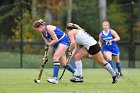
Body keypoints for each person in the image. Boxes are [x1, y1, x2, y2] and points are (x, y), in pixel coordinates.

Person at [32, 19, 76, 84]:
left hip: (63, 41)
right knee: (63, 64)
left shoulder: (49, 28)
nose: (37, 31)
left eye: (37, 29)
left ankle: (55, 78)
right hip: (57, 44)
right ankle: (77, 73)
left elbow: (56, 40)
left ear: (40, 27)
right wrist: (45, 55)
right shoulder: (42, 33)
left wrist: (48, 44)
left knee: (55, 57)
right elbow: (47, 43)